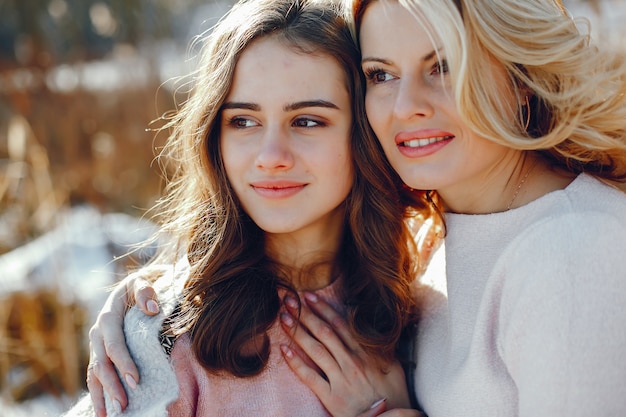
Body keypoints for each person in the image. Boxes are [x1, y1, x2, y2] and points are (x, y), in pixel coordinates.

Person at [88, 0, 626, 416]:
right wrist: (158, 303)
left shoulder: (573, 252)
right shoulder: (426, 260)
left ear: (520, 72)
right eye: (380, 75)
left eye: (442, 65)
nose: (405, 105)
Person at [62, 0, 432, 415]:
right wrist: (149, 324)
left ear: (362, 134)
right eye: (243, 121)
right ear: (214, 138)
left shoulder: (417, 307)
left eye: (307, 120)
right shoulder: (170, 334)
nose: (271, 155)